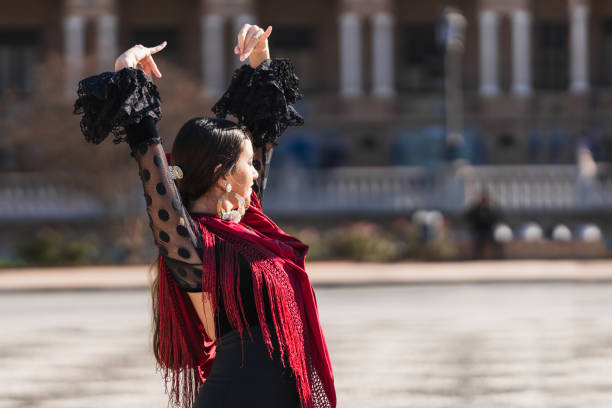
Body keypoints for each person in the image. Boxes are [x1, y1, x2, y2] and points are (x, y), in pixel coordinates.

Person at [73, 23, 336, 408]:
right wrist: (127, 75)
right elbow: (155, 173)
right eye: (249, 165)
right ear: (223, 176)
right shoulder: (193, 244)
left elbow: (262, 131)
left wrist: (260, 57)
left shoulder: (245, 228)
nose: (258, 171)